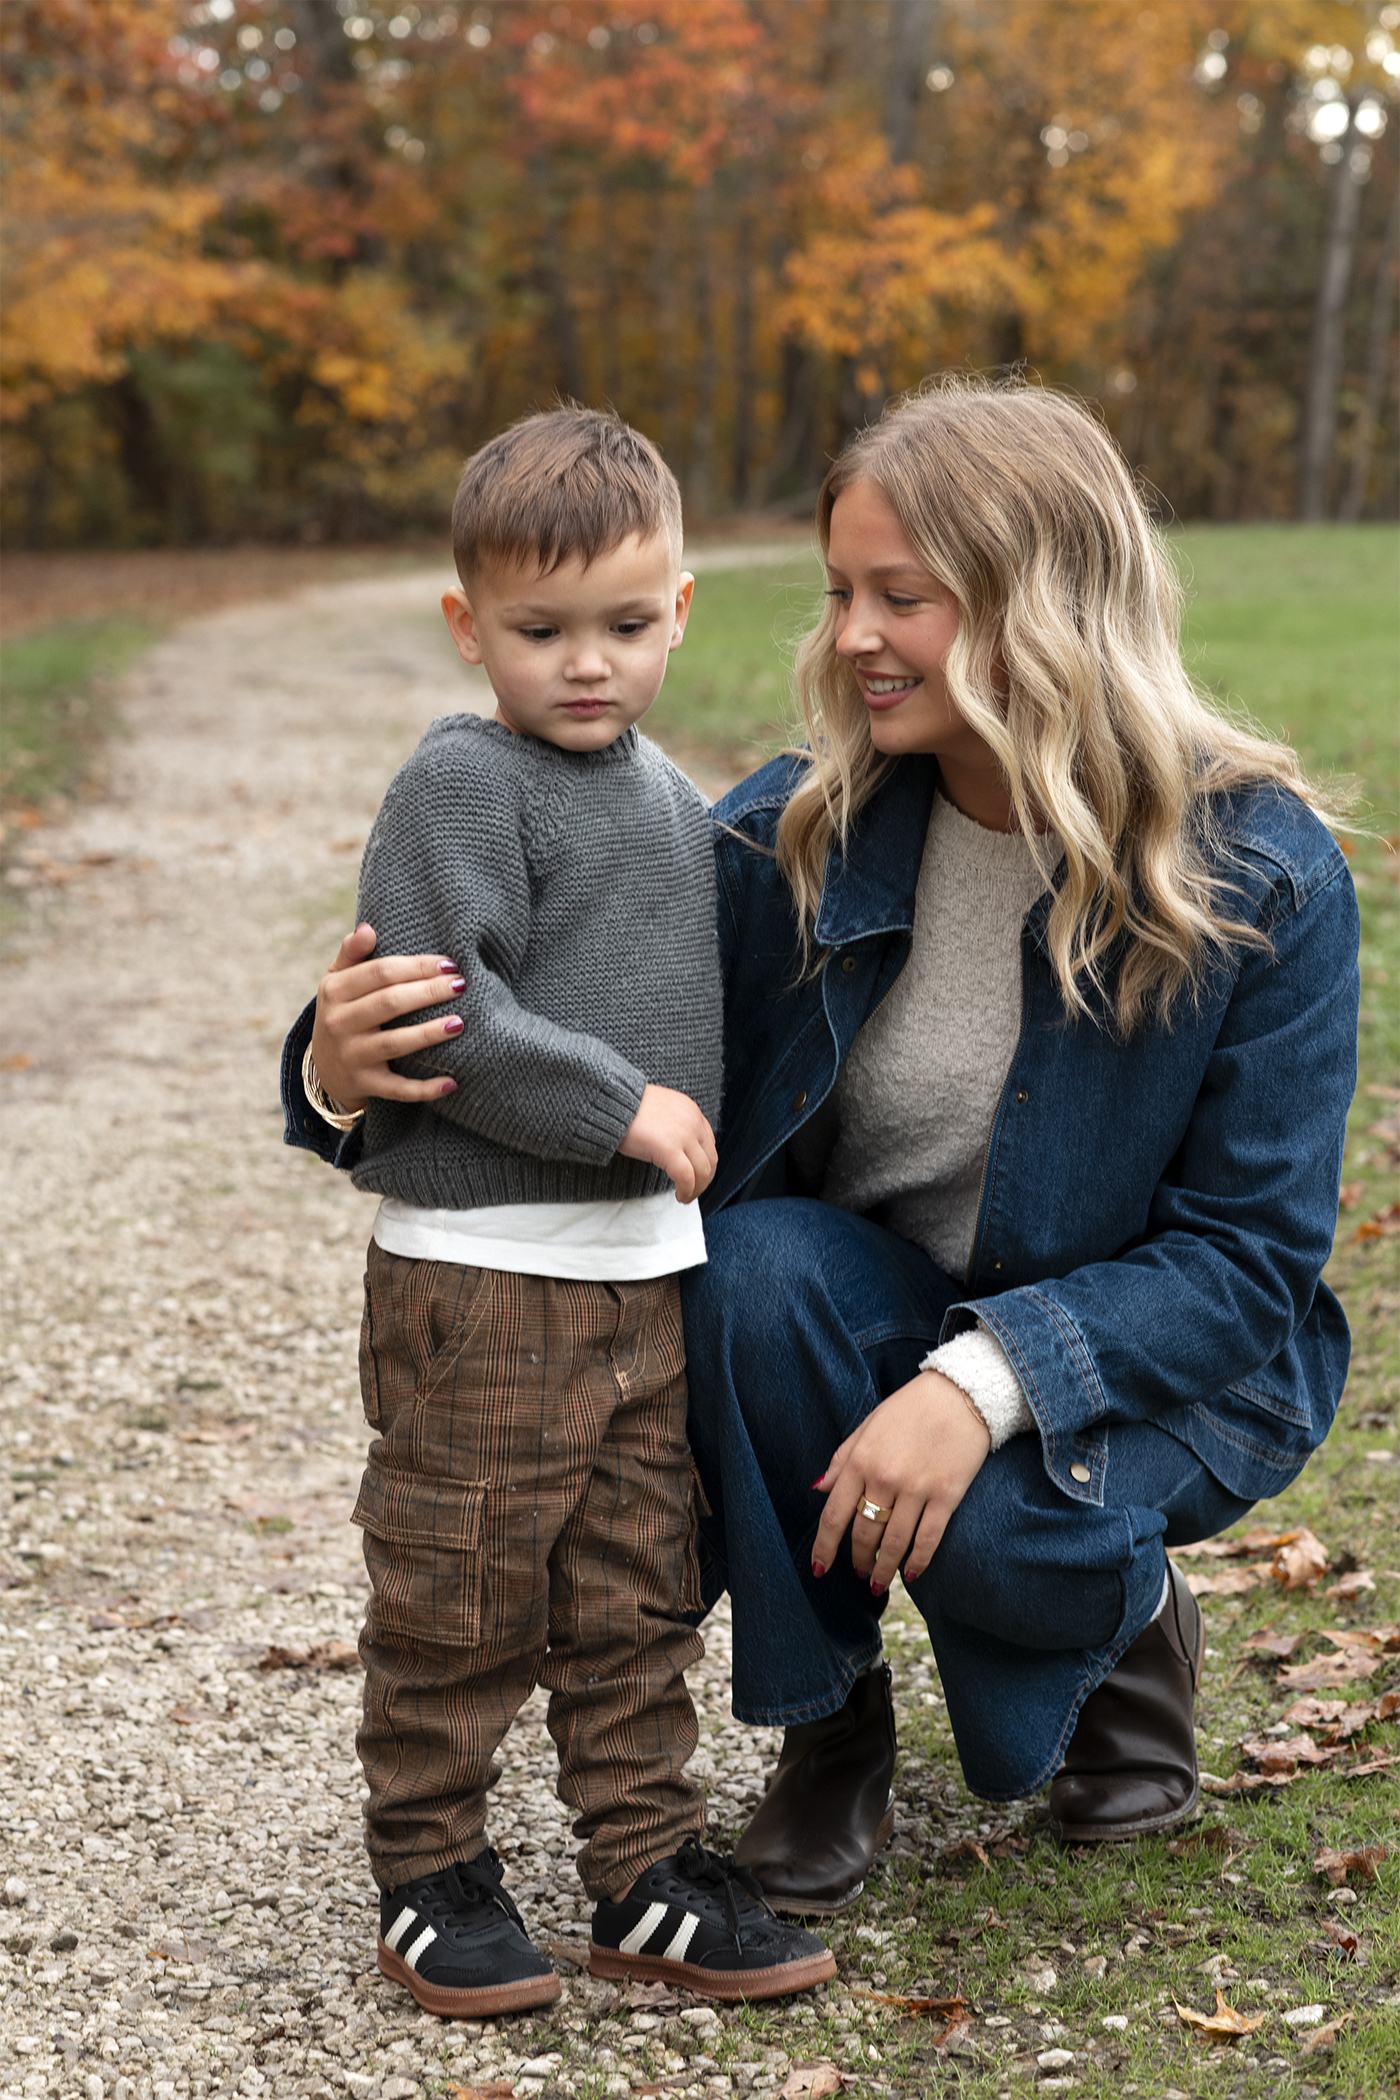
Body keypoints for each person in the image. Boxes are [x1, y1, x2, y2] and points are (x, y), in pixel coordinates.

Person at [287, 378, 1357, 1923]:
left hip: (1152, 1360)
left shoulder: (1261, 874)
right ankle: (828, 1724)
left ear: (1041, 603)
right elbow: (543, 1008)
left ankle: (1126, 1622)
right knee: (745, 1271)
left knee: (1000, 1525)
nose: (851, 635)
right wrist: (335, 1067)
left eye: (900, 598)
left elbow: (1248, 1263)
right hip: (855, 1308)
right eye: (841, 590)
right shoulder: (790, 834)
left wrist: (983, 1384)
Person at [288, 405, 835, 2015]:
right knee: (459, 1586)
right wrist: (620, 1107)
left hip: (639, 1279)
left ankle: (643, 1870)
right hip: (482, 1276)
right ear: (470, 627)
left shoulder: (674, 798)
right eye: (540, 631)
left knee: (631, 1590)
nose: (586, 664)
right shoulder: (460, 784)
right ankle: (430, 1866)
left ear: (681, 611)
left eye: (624, 624)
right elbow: (433, 1010)